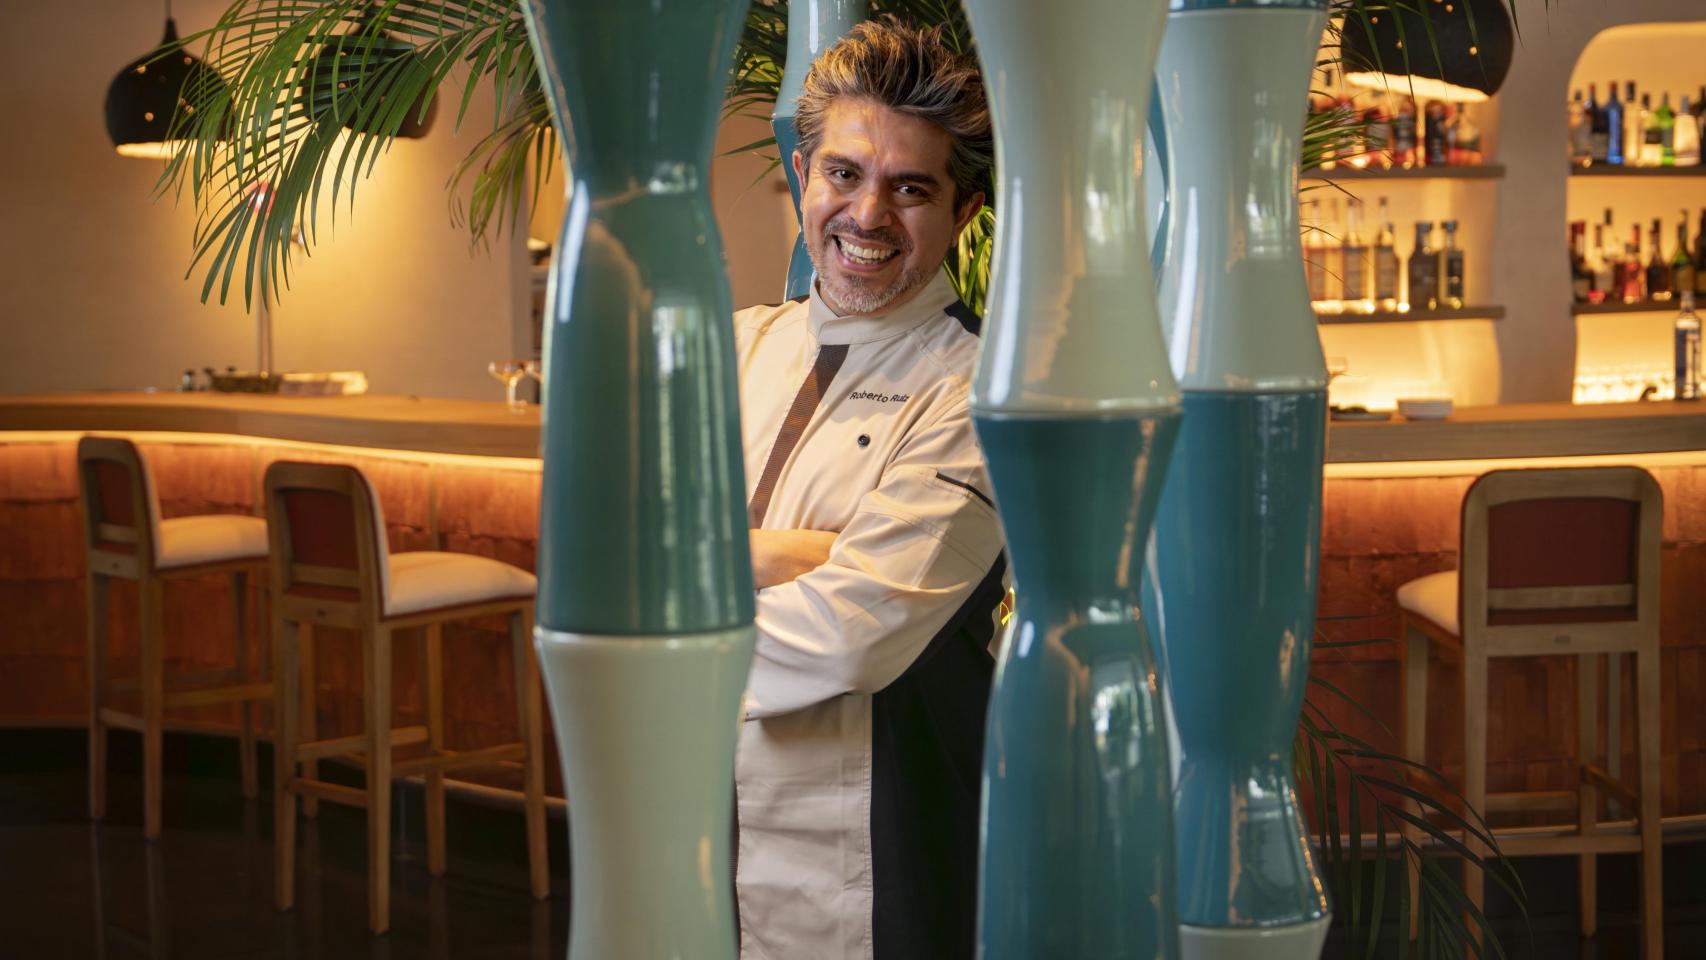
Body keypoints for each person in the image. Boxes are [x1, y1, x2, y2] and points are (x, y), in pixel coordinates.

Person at [732, 17, 1006, 960]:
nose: (868, 215)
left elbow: (852, 636)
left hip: (885, 844)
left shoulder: (978, 389)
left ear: (964, 213)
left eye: (911, 188)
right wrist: (793, 556)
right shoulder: (735, 346)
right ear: (802, 173)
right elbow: (611, 549)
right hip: (701, 819)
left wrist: (679, 605)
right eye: (844, 174)